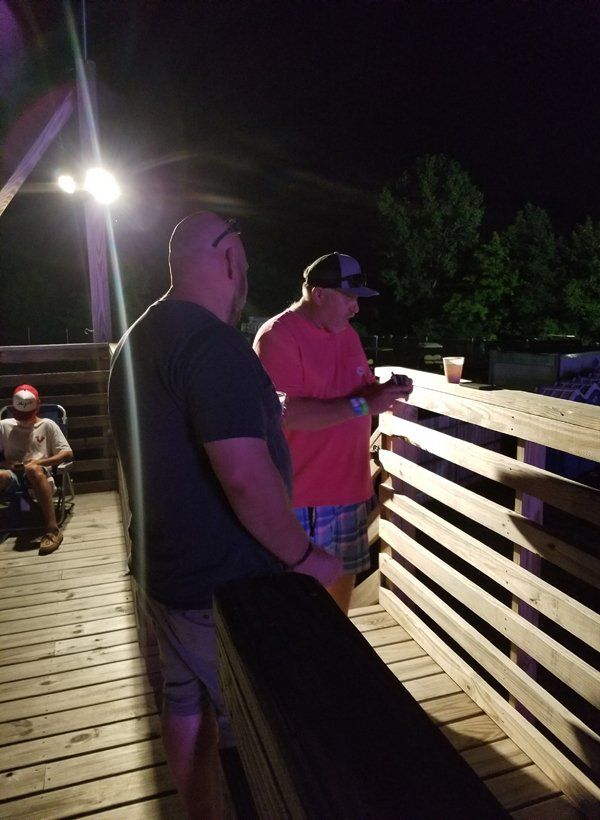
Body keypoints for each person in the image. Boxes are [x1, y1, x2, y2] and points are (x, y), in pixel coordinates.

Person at [108, 211, 341, 820]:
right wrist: (303, 556)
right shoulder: (213, 345)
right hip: (224, 590)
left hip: (165, 572)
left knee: (184, 701)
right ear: (232, 261)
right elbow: (243, 475)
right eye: (246, 267)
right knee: (265, 731)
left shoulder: (138, 337)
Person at [254, 252, 413, 614]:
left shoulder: (346, 334)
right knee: (297, 608)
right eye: (349, 297)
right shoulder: (279, 335)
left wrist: (386, 391)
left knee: (339, 604)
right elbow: (283, 414)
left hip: (350, 491)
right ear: (319, 293)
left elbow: (361, 391)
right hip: (302, 497)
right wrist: (364, 405)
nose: (356, 308)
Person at [0, 384, 72, 555]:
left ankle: (52, 530)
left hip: (39, 476)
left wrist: (40, 462)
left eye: (28, 415)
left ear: (38, 405)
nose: (24, 420)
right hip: (12, 474)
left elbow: (67, 453)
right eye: (21, 415)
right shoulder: (3, 426)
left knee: (33, 469)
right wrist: (7, 464)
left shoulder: (47, 425)